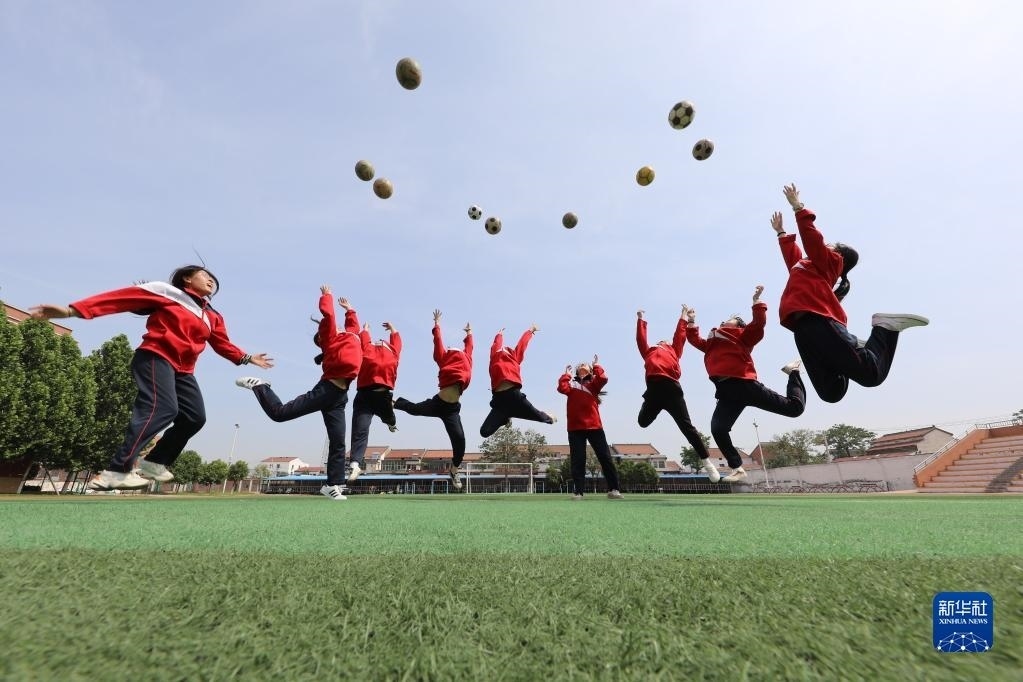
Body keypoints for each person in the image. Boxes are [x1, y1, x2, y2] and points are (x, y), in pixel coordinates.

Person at [29, 265, 272, 491]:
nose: (210, 280)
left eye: (213, 279)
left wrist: (248, 358)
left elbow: (222, 343)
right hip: (156, 357)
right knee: (162, 409)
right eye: (204, 275)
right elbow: (120, 299)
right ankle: (116, 470)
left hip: (183, 371)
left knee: (194, 418)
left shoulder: (212, 315)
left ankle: (154, 462)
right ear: (187, 278)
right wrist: (72, 311)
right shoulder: (168, 293)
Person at [775, 183, 928, 403]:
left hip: (820, 322)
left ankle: (884, 328)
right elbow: (793, 255)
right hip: (802, 329)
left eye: (830, 245)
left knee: (872, 375)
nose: (826, 245)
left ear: (838, 255)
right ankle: (852, 346)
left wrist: (799, 208)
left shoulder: (831, 262)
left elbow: (812, 241)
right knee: (832, 393)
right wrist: (781, 232)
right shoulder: (805, 266)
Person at [236, 287, 360, 501]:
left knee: (338, 441)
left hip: (340, 396)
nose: (338, 327)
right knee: (280, 414)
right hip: (326, 390)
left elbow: (353, 325)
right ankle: (261, 387)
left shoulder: (351, 335)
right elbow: (329, 316)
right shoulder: (331, 339)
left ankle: (332, 485)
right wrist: (327, 296)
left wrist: (350, 310)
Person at [684, 285, 806, 483]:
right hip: (726, 392)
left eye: (729, 320)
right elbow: (693, 339)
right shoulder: (711, 344)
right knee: (718, 428)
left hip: (745, 386)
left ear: (738, 327)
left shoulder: (742, 336)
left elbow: (758, 324)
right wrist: (691, 321)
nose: (723, 321)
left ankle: (793, 372)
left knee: (794, 409)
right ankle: (737, 468)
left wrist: (757, 301)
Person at [394, 309, 473, 490]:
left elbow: (470, 347)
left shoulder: (466, 358)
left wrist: (469, 333)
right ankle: (393, 402)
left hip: (452, 409)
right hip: (438, 403)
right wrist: (436, 324)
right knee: (414, 409)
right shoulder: (444, 357)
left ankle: (454, 470)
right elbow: (438, 341)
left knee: (460, 440)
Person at [635, 308, 716, 480]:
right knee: (642, 422)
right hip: (653, 391)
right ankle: (646, 402)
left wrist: (684, 316)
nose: (662, 341)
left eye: (665, 341)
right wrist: (641, 320)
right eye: (660, 341)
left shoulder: (674, 350)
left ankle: (707, 462)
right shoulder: (649, 352)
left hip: (671, 389)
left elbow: (680, 334)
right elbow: (641, 340)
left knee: (687, 427)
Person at [558, 356, 622, 500]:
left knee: (605, 457)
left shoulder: (593, 384)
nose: (582, 364)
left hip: (594, 426)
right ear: (576, 371)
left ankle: (614, 489)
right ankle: (578, 492)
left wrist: (596, 365)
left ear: (590, 370)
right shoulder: (572, 384)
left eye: (586, 364)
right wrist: (566, 375)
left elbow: (603, 378)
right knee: (578, 460)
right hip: (575, 428)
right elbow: (562, 388)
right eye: (580, 364)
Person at [348, 319, 402, 482]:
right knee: (360, 430)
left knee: (389, 418)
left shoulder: (393, 350)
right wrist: (365, 330)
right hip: (364, 397)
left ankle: (391, 423)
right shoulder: (367, 347)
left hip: (382, 397)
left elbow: (397, 341)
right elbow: (364, 339)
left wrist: (393, 328)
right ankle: (355, 464)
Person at [479, 325, 556, 437]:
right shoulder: (494, 356)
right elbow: (495, 345)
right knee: (484, 432)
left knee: (540, 416)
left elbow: (522, 344)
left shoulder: (515, 356)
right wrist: (499, 335)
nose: (504, 350)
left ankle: (548, 417)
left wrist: (530, 331)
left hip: (515, 396)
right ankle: (505, 418)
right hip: (499, 401)